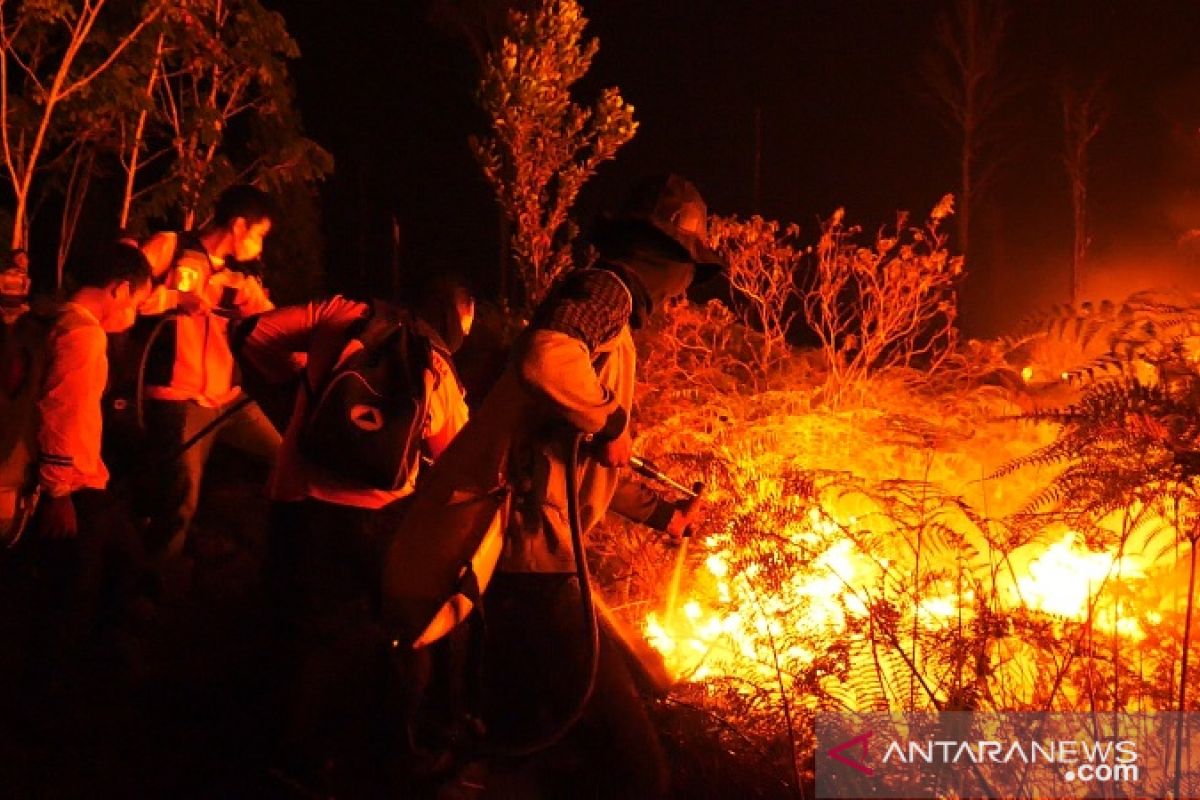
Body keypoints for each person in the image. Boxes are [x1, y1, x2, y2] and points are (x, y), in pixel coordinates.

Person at [382, 174, 720, 798]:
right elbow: (545, 355)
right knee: (635, 769)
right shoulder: (605, 292)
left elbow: (574, 458)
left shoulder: (607, 324)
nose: (684, 292)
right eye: (688, 271)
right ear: (663, 257)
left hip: (524, 558)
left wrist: (662, 516)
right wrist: (613, 418)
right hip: (533, 563)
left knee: (526, 748)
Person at [238, 275, 475, 785]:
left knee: (292, 627)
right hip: (379, 515)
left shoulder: (341, 314)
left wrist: (300, 386)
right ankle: (380, 750)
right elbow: (453, 454)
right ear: (457, 318)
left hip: (297, 497)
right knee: (383, 634)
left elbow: (254, 335)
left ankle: (282, 754)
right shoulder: (438, 362)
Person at [19, 241, 152, 704]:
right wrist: (58, 494)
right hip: (71, 486)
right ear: (117, 289)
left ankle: (95, 664)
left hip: (86, 478)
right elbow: (62, 409)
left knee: (124, 559)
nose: (133, 315)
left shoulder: (52, 318)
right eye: (134, 302)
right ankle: (49, 694)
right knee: (73, 594)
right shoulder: (84, 335)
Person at [135, 185, 282, 570]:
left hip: (228, 399)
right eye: (258, 234)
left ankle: (261, 554)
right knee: (181, 501)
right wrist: (172, 299)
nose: (260, 246)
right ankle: (151, 589)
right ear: (237, 226)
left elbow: (273, 322)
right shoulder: (170, 247)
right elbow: (124, 296)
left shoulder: (238, 277)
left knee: (285, 458)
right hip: (178, 397)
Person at [0, 248, 32, 324]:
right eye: (19, 258)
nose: (24, 261)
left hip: (17, 309)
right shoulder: (3, 276)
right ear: (13, 260)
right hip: (4, 308)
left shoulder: (26, 278)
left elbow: (24, 294)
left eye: (24, 258)